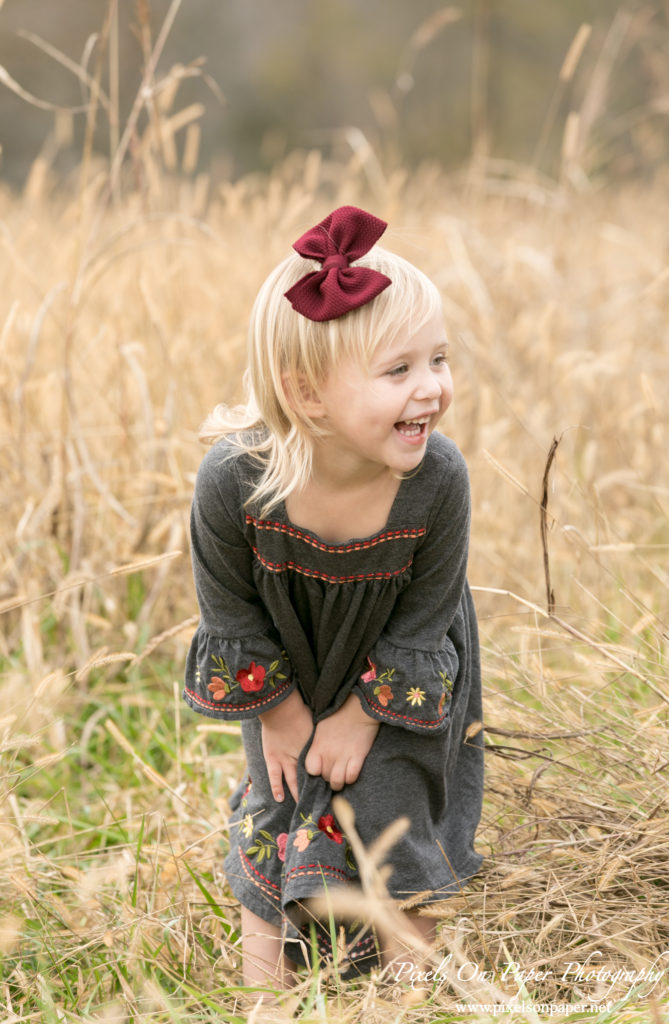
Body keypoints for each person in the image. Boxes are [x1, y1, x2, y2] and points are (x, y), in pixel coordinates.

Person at [184, 206, 483, 989]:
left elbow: (428, 618)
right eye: (398, 371)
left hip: (399, 666)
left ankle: (403, 988)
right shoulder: (234, 483)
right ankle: (267, 994)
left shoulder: (436, 481)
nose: (432, 389)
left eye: (438, 360)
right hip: (282, 666)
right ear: (308, 394)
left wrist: (359, 716)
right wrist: (279, 717)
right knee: (275, 803)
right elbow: (228, 612)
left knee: (389, 804)